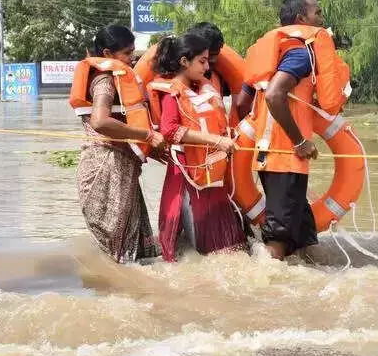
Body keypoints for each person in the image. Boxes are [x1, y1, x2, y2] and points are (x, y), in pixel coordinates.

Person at [235, 0, 351, 261]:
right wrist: (298, 141)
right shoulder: (301, 54)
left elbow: (242, 102)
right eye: (317, 13)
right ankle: (266, 289)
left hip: (271, 154)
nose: (321, 20)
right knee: (280, 234)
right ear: (302, 18)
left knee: (300, 228)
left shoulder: (274, 52)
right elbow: (275, 95)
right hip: (285, 156)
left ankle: (301, 287)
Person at [70, 24, 165, 263]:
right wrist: (146, 136)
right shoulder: (104, 81)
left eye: (133, 52)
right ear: (107, 54)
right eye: (126, 53)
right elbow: (100, 122)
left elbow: (125, 129)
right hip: (105, 169)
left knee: (131, 253)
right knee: (117, 254)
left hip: (122, 167)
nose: (132, 58)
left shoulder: (120, 79)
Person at [149, 34, 247, 262]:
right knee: (198, 242)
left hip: (209, 172)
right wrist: (216, 141)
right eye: (202, 61)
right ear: (184, 62)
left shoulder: (200, 90)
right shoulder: (171, 93)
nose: (207, 66)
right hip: (187, 173)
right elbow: (170, 131)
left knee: (224, 251)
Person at [187, 22, 228, 95]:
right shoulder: (177, 78)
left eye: (216, 54)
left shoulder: (220, 75)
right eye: (210, 55)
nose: (214, 59)